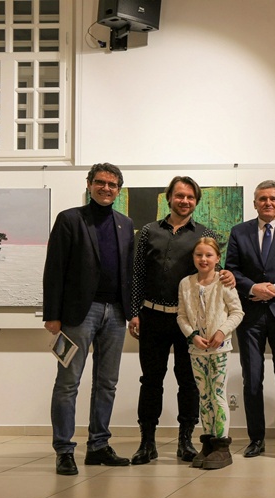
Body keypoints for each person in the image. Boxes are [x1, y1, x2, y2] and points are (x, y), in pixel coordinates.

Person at [128, 176, 235, 465]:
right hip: (151, 317)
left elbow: (213, 267)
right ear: (169, 198)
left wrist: (228, 274)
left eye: (190, 197)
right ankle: (147, 443)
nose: (184, 201)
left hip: (188, 321)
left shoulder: (203, 233)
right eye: (179, 196)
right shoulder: (149, 231)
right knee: (150, 381)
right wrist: (134, 312)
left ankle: (185, 442)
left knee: (188, 382)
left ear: (196, 201)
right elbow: (138, 273)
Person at [43, 163, 134, 475]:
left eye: (112, 184)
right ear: (89, 184)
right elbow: (54, 269)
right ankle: (64, 450)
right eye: (100, 182)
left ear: (118, 189)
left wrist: (132, 312)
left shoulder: (125, 224)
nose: (106, 188)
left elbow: (128, 273)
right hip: (79, 314)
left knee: (107, 383)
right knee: (68, 383)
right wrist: (52, 315)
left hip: (116, 314)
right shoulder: (70, 219)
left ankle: (98, 445)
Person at [225, 180, 275, 462]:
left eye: (273, 199)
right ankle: (256, 440)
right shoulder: (239, 232)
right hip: (250, 316)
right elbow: (231, 270)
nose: (268, 203)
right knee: (252, 379)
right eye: (262, 199)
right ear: (255, 203)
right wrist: (252, 288)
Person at [177, 237, 244, 469]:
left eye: (208, 255)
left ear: (217, 258)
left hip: (219, 349)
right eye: (199, 255)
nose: (203, 259)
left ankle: (222, 445)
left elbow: (237, 312)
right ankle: (207, 442)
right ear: (193, 258)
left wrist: (221, 332)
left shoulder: (223, 281)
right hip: (197, 349)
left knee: (217, 394)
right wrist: (192, 335)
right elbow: (181, 315)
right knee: (203, 396)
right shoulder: (185, 283)